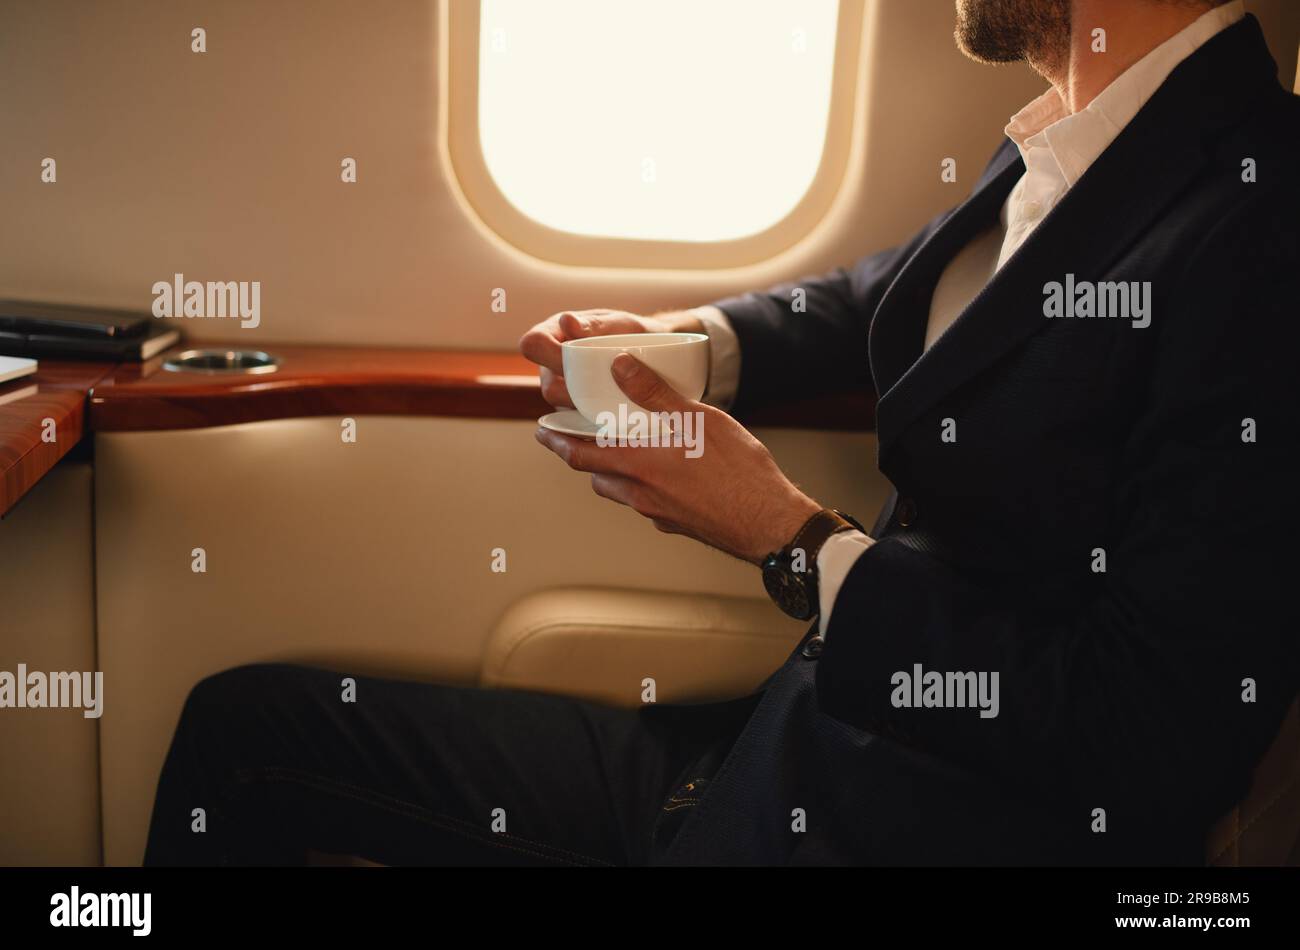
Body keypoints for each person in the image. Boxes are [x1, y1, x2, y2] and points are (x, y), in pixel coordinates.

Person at [146, 0, 1299, 865]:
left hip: (898, 823)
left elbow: (1148, 742)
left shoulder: (1259, 216)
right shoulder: (1081, 146)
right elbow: (882, 299)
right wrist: (684, 342)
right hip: (776, 752)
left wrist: (791, 537)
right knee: (241, 731)